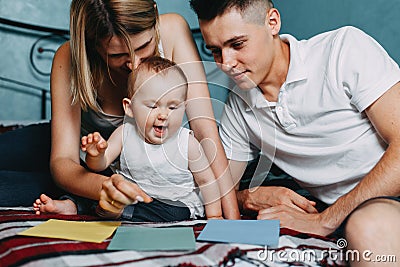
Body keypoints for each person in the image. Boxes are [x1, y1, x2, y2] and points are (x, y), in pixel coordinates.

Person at [189, 0, 400, 260]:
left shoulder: (343, 50)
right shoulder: (239, 105)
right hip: (347, 213)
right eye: (215, 51)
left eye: (237, 44)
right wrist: (249, 197)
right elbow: (223, 192)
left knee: (369, 227)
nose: (226, 64)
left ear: (272, 22)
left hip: (388, 200)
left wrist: (324, 221)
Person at [1, 0, 240, 218]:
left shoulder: (173, 30)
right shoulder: (69, 56)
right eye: (117, 55)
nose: (134, 63)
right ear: (93, 43)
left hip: (128, 168)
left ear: (154, 17)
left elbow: (205, 130)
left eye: (144, 45)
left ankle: (75, 201)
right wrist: (105, 187)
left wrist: (231, 216)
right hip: (83, 156)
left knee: (10, 191)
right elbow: (63, 161)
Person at [34, 56, 223, 221]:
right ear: (129, 108)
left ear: (184, 107)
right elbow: (100, 164)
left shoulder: (187, 142)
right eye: (152, 106)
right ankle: (71, 205)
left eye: (173, 107)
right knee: (101, 184)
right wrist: (95, 154)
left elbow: (207, 181)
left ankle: (116, 211)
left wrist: (214, 215)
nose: (164, 115)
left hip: (173, 204)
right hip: (126, 196)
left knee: (175, 212)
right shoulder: (125, 132)